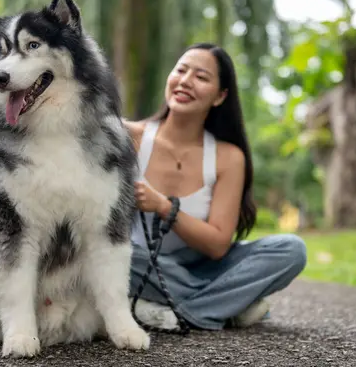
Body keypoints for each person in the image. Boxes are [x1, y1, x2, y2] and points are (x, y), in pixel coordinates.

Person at [123, 42, 307, 331]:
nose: (185, 81)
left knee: (291, 249)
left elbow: (218, 245)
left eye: (201, 77)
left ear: (220, 96)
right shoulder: (130, 137)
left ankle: (179, 311)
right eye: (181, 70)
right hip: (144, 263)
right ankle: (231, 305)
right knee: (117, 253)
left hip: (206, 267)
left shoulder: (228, 158)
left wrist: (163, 206)